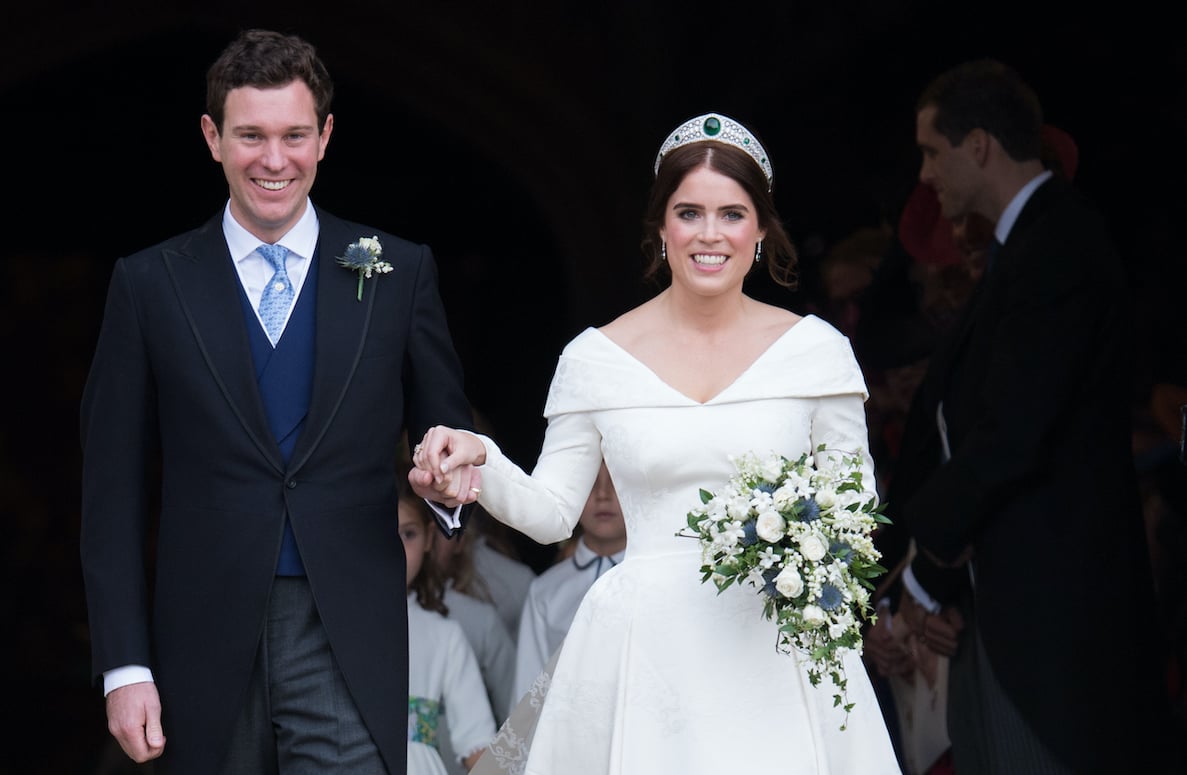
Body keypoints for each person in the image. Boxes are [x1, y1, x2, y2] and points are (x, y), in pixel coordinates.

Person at [410, 113, 901, 773]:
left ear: (760, 229)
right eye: (688, 212)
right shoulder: (594, 358)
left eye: (731, 213)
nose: (708, 234)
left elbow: (856, 512)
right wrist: (480, 461)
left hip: (775, 655)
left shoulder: (816, 352)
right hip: (641, 650)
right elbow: (553, 509)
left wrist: (803, 552)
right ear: (660, 227)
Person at [79, 29, 474, 775]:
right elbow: (111, 492)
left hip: (347, 625)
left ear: (324, 137)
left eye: (294, 135)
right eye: (250, 135)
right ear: (212, 137)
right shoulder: (149, 283)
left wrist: (449, 487)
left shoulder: (399, 272)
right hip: (200, 630)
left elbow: (445, 435)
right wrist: (125, 666)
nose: (273, 159)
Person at [888, 59, 1174, 773]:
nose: (924, 175)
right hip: (1004, 611)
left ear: (978, 145)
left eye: (930, 150)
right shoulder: (1024, 253)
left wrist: (919, 578)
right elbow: (957, 430)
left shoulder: (1059, 247)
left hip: (1057, 623)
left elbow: (1012, 435)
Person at [398, 492, 498, 775]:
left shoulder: (444, 634)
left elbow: (477, 743)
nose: (395, 548)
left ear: (430, 538)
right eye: (380, 533)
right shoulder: (330, 626)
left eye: (408, 534)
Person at [512, 460, 626, 703]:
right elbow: (528, 688)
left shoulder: (654, 582)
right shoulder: (545, 590)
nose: (603, 494)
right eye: (591, 481)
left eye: (616, 481)